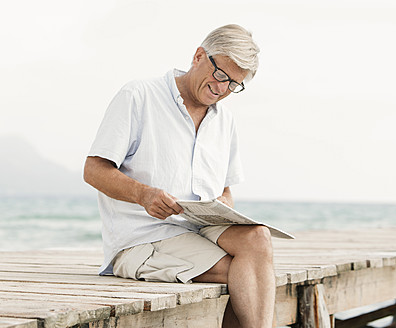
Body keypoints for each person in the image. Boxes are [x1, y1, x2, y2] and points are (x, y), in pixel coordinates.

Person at [84, 24, 275, 328]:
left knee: (257, 237)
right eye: (221, 75)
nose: (222, 89)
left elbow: (225, 188)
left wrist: (222, 205)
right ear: (199, 56)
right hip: (144, 237)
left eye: (234, 84)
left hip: (200, 229)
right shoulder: (139, 95)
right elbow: (94, 170)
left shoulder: (224, 119)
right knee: (243, 275)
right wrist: (144, 195)